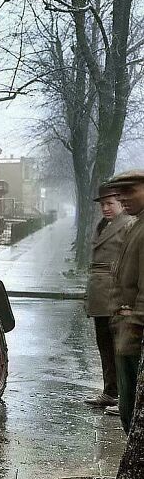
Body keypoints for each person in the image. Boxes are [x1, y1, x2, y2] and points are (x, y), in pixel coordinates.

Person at [84, 184, 132, 408]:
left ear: (121, 203)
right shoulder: (103, 225)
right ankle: (110, 392)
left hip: (115, 293)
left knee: (119, 348)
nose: (105, 208)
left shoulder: (128, 225)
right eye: (102, 204)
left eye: (110, 204)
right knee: (104, 345)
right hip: (100, 295)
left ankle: (124, 397)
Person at [105, 169, 144, 433]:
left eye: (130, 191)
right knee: (128, 408)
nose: (123, 198)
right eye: (120, 193)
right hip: (127, 326)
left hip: (135, 332)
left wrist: (135, 323)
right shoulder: (136, 224)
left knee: (133, 409)